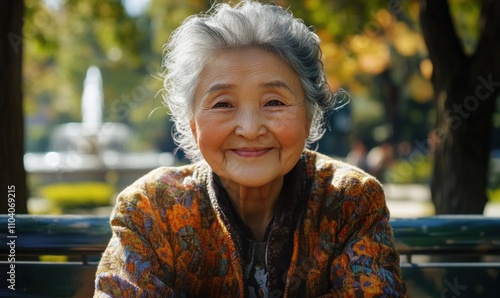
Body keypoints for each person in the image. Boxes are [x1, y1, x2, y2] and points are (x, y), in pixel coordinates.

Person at [94, 1, 407, 297]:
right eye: (223, 104)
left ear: (309, 114)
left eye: (274, 102)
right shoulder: (152, 209)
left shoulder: (350, 200)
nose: (250, 128)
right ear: (192, 123)